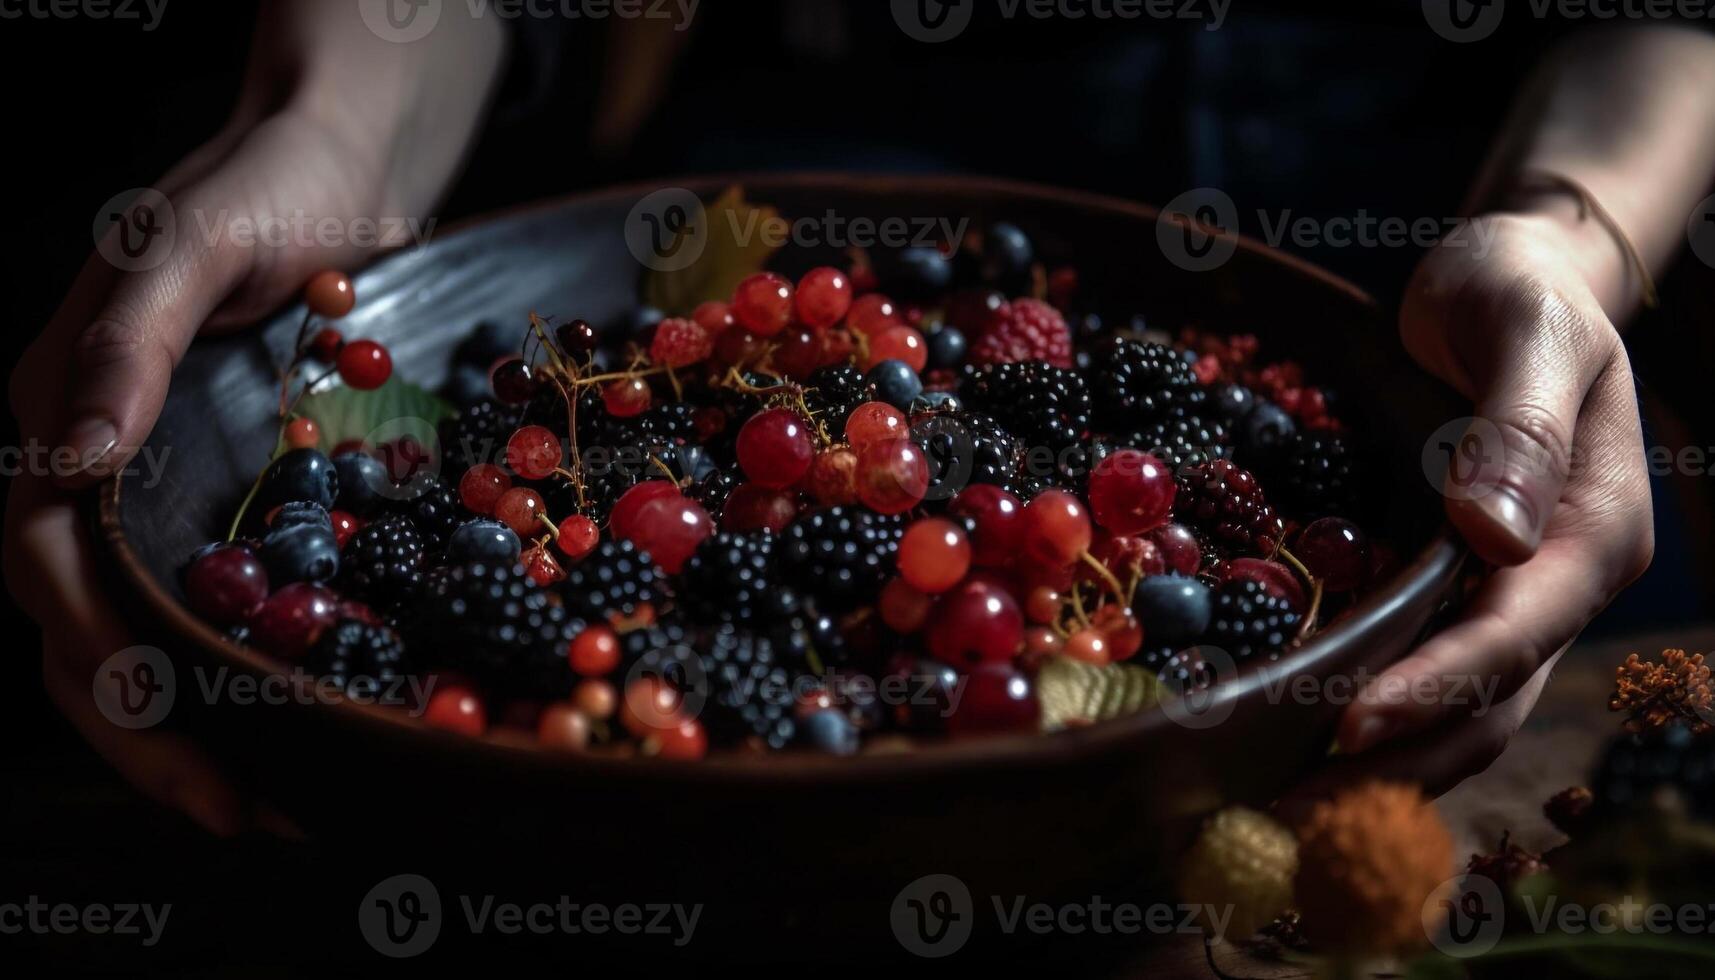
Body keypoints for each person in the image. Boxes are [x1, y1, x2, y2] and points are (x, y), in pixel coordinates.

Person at [6, 0, 1712, 834]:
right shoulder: (702, 441)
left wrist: (1574, 231)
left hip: (1398, 287)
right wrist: (332, 117)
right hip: (811, 191)